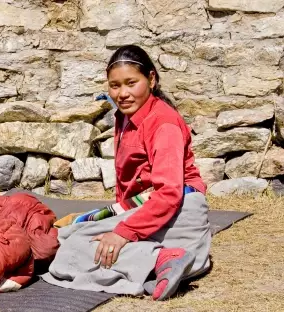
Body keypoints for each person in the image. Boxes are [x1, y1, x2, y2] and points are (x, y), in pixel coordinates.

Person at [41, 45, 211, 301]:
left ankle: (159, 259)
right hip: (150, 211)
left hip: (179, 210)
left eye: (131, 83)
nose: (122, 94)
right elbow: (129, 187)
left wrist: (122, 233)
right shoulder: (124, 117)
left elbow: (168, 194)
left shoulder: (163, 123)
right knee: (66, 234)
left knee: (71, 247)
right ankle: (179, 258)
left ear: (151, 79)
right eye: (115, 86)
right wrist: (117, 221)